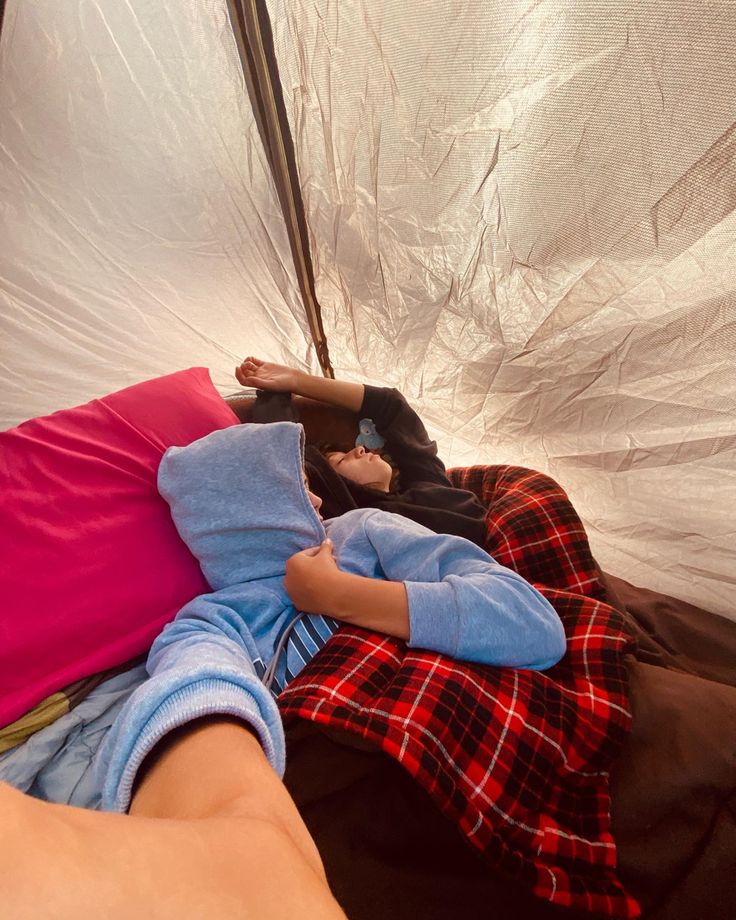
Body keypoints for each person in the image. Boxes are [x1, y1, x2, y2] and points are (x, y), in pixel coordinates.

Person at [236, 356, 490, 544]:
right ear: (331, 480)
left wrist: (298, 380)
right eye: (340, 459)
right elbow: (280, 442)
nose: (358, 449)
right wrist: (275, 394)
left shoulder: (427, 482)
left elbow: (392, 406)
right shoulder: (345, 513)